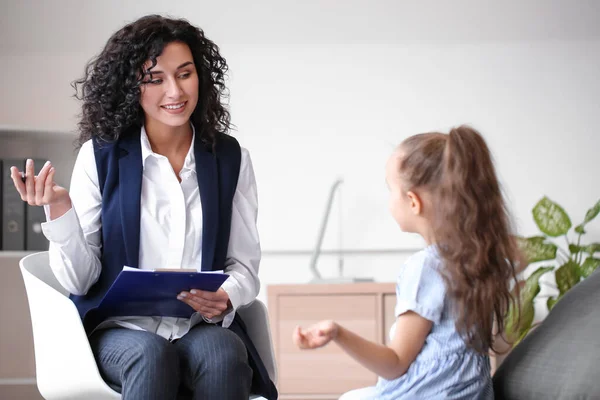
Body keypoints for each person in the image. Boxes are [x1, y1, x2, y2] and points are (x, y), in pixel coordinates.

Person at [10, 14, 277, 400]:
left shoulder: (230, 159)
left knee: (224, 353)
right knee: (150, 356)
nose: (175, 91)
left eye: (184, 74)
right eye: (155, 79)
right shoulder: (100, 157)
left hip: (197, 325)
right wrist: (60, 210)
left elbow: (244, 266)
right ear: (131, 87)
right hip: (120, 329)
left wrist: (228, 296)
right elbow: (79, 283)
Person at [293, 126, 520, 399]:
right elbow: (518, 253)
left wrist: (337, 332)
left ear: (413, 201)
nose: (389, 200)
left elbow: (395, 364)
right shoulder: (481, 260)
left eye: (391, 189)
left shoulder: (427, 268)